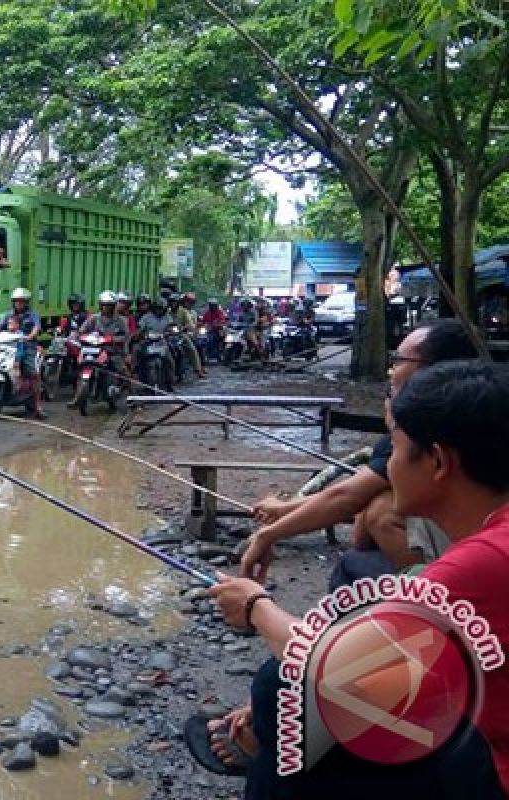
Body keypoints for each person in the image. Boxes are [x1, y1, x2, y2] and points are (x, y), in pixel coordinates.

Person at [207, 360, 509, 800]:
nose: (389, 466)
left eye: (399, 449)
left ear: (439, 461)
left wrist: (255, 606)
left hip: (488, 772)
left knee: (284, 691)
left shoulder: (482, 562)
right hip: (474, 724)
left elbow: (328, 667)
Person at [241, 318, 479, 589]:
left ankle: (427, 598)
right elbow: (352, 493)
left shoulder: (430, 427)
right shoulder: (457, 410)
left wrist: (256, 603)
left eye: (399, 360)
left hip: (465, 578)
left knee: (380, 509)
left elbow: (346, 497)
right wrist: (284, 510)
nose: (391, 370)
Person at [68, 290, 130, 409]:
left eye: (109, 305)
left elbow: (125, 336)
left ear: (114, 306)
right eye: (104, 305)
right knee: (82, 370)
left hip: (112, 351)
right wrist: (76, 336)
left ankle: (131, 397)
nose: (106, 308)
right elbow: (81, 330)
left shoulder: (121, 320)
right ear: (100, 305)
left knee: (123, 371)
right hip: (94, 350)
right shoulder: (94, 318)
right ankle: (77, 398)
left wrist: (113, 339)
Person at [0, 287, 45, 419]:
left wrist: (30, 336)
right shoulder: (8, 315)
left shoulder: (33, 314)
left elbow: (36, 327)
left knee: (34, 374)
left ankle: (37, 406)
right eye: (17, 301)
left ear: (26, 302)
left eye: (22, 301)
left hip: (28, 346)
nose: (19, 304)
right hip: (9, 347)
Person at [174, 291, 208, 378]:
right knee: (192, 349)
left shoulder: (191, 312)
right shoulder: (177, 310)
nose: (189, 303)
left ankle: (200, 368)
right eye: (188, 301)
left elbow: (193, 324)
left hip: (187, 333)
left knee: (198, 346)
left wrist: (197, 327)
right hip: (176, 334)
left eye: (191, 302)